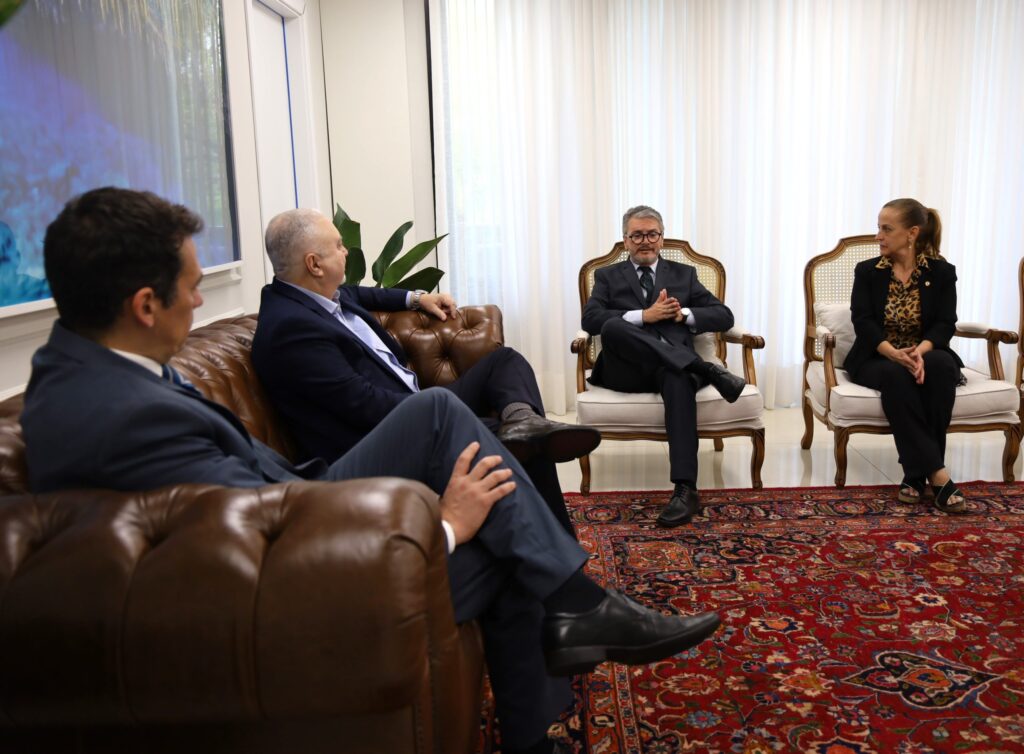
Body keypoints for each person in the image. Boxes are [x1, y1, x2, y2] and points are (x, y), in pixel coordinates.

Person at [21, 188, 721, 754]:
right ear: (145, 305)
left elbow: (355, 299)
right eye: (192, 288)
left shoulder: (91, 372)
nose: (201, 303)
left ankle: (554, 665)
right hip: (303, 561)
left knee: (506, 520)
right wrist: (443, 528)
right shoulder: (119, 412)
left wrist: (409, 297)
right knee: (444, 423)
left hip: (294, 513)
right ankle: (575, 607)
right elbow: (245, 542)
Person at [251, 209, 598, 536]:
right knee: (526, 448)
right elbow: (362, 405)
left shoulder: (315, 295)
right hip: (392, 435)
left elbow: (360, 292)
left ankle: (523, 419)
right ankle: (562, 558)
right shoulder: (292, 330)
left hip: (418, 405)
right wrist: (434, 407)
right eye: (339, 246)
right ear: (314, 264)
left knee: (504, 362)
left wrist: (416, 299)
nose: (346, 252)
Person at [581, 205, 746, 527]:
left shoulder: (684, 274)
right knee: (613, 326)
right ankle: (707, 369)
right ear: (625, 240)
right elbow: (590, 319)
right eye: (637, 235)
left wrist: (683, 314)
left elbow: (724, 315)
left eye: (651, 234)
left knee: (678, 376)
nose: (645, 241)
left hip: (671, 367)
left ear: (662, 238)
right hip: (625, 371)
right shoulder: (607, 276)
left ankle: (686, 489)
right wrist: (645, 316)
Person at [844, 198, 966, 513]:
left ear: (911, 233)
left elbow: (945, 323)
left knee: (940, 368)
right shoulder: (868, 271)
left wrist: (921, 351)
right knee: (896, 375)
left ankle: (914, 474)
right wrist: (894, 354)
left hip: (927, 353)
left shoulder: (941, 272)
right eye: (878, 228)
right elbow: (864, 322)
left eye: (886, 229)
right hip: (877, 356)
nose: (878, 236)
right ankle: (937, 475)